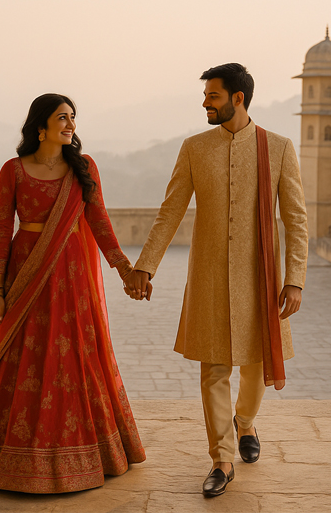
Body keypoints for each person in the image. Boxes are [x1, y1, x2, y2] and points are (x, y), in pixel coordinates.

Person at [126, 63, 308, 498]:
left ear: (238, 99)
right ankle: (222, 459)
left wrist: (295, 278)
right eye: (206, 95)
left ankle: (245, 422)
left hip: (259, 277)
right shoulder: (194, 148)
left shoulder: (278, 148)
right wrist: (145, 266)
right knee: (214, 367)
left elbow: (296, 219)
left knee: (255, 363)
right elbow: (170, 211)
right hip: (208, 276)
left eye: (213, 95)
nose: (205, 102)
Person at [0, 93, 147, 493]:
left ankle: (86, 451)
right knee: (23, 355)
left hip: (72, 275)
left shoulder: (83, 168)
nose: (71, 124)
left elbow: (99, 222)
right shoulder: (13, 170)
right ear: (40, 125)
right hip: (26, 274)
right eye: (62, 117)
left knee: (73, 356)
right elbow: (0, 230)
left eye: (74, 117)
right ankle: (8, 455)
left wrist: (125, 269)